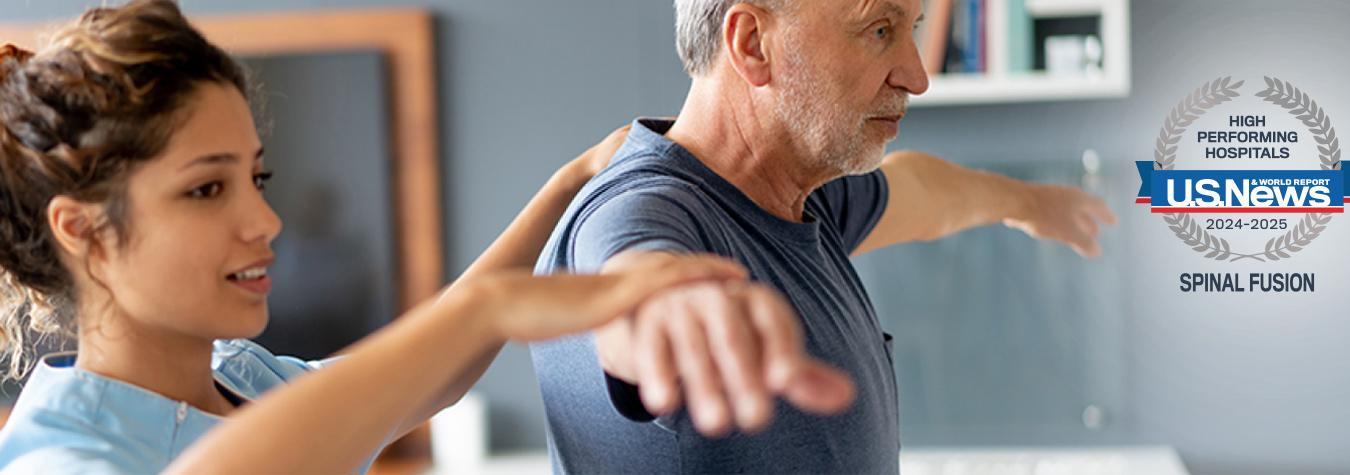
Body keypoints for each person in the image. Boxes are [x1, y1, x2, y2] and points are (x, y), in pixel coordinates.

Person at [0, 1, 768, 473]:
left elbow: (422, 377)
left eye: (255, 179)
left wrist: (570, 182)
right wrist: (491, 309)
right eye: (207, 188)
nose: (264, 222)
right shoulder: (55, 455)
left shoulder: (247, 379)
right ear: (85, 232)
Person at [531, 0, 1120, 472]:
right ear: (752, 44)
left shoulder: (796, 200)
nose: (916, 76)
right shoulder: (643, 208)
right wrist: (674, 310)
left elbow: (920, 190)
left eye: (913, 27)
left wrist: (1029, 201)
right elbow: (632, 275)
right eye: (879, 29)